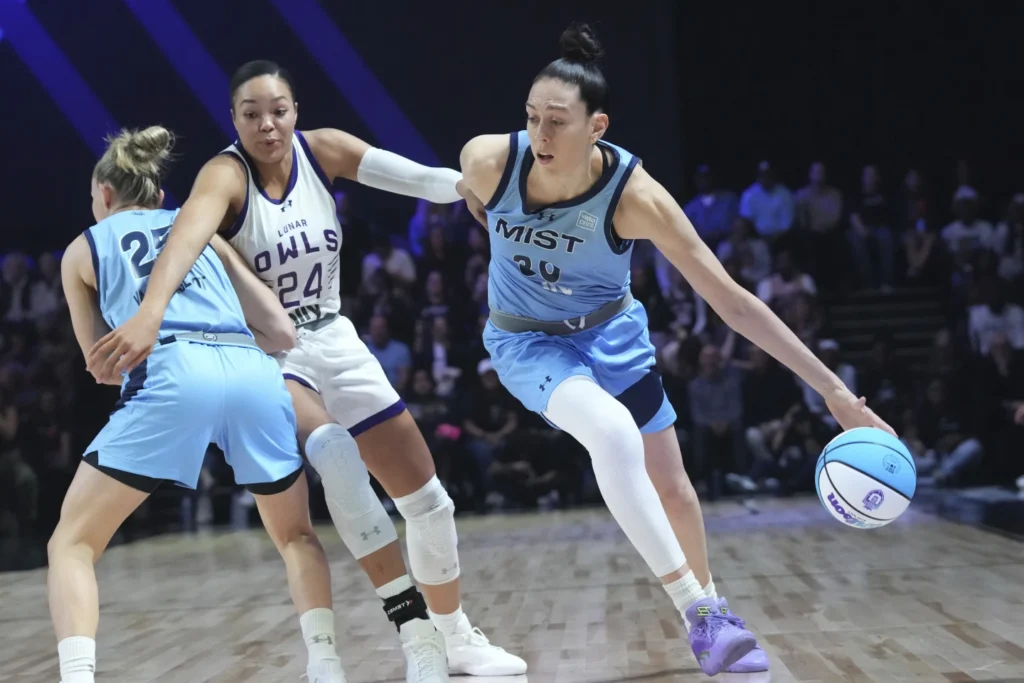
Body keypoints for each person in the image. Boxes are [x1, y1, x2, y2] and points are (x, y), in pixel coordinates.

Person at [458, 23, 895, 677]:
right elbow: (474, 201)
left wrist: (833, 389)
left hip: (612, 334)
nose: (538, 136)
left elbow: (734, 302)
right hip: (528, 340)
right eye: (530, 118)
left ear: (596, 125)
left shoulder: (637, 199)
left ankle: (712, 613)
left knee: (675, 488)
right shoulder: (490, 161)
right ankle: (702, 612)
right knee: (610, 434)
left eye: (556, 122)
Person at [87, 62, 525, 681]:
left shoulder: (324, 150)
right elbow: (182, 241)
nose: (267, 124)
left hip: (336, 335)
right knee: (336, 452)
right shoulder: (224, 174)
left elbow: (424, 179)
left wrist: (472, 189)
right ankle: (412, 628)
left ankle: (455, 636)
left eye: (279, 110)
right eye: (252, 113)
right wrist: (150, 316)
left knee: (429, 502)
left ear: (295, 110)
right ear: (234, 118)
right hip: (271, 349)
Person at [54, 126, 344, 683]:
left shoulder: (81, 249)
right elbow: (282, 330)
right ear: (160, 198)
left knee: (72, 541)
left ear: (104, 195)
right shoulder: (202, 232)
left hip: (171, 372)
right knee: (296, 536)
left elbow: (100, 364)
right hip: (249, 371)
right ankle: (327, 666)